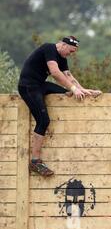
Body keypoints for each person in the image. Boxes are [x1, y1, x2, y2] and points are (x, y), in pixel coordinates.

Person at [18, 36, 102, 177]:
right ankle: (35, 161)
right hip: (29, 87)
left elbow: (69, 77)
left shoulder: (62, 57)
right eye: (71, 51)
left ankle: (35, 161)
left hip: (40, 85)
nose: (71, 54)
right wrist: (74, 89)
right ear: (63, 45)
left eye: (73, 52)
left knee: (68, 93)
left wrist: (82, 89)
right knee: (43, 121)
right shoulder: (49, 48)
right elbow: (55, 73)